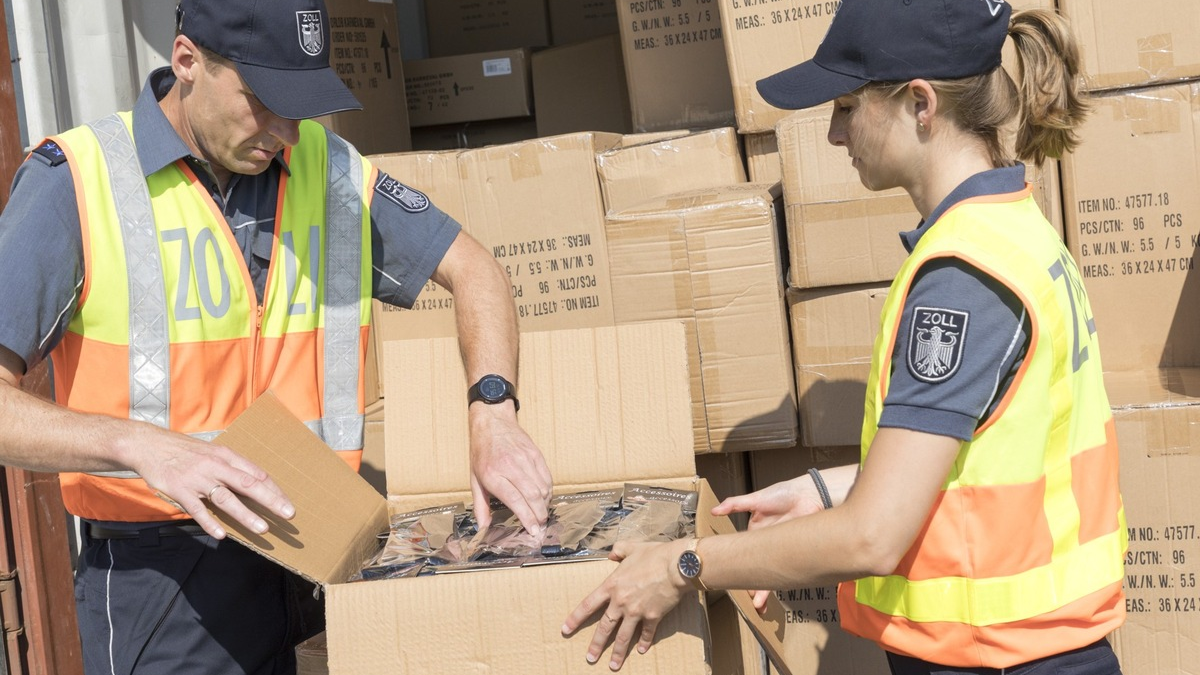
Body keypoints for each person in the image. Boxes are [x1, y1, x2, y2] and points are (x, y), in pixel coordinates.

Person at [563, 1, 1127, 673]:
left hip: (1000, 659)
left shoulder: (963, 278)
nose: (834, 135)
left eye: (846, 107)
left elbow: (873, 536)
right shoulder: (1015, 232)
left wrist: (687, 565)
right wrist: (826, 490)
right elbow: (994, 452)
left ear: (920, 103)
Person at [0, 0, 553, 672]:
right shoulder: (76, 183)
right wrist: (137, 443)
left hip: (316, 560)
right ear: (187, 61)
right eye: (264, 102)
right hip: (166, 590)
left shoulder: (330, 168)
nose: (286, 132)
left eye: (303, 106)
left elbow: (476, 269)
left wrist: (493, 411)